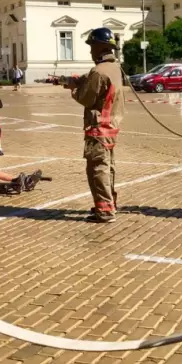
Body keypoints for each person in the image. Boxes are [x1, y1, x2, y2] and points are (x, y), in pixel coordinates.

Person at [66, 27, 123, 223]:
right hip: (111, 126)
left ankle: (105, 211)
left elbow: (86, 98)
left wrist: (74, 89)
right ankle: (109, 204)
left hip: (98, 128)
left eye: (91, 46)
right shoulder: (115, 69)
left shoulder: (98, 72)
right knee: (108, 167)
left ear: (99, 48)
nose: (90, 51)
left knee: (97, 169)